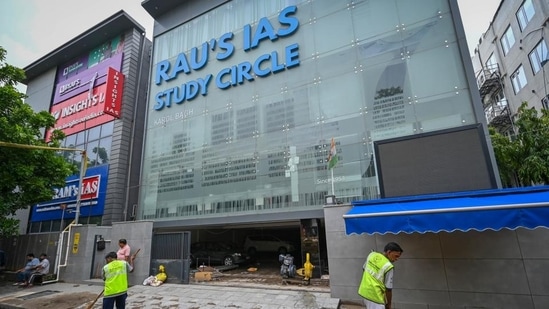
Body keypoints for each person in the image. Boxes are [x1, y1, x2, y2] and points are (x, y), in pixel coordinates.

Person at [358, 242, 403, 309]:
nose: (397, 259)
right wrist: (389, 305)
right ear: (389, 252)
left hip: (364, 291)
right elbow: (388, 289)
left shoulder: (372, 255)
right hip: (375, 297)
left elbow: (364, 269)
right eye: (396, 256)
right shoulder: (389, 266)